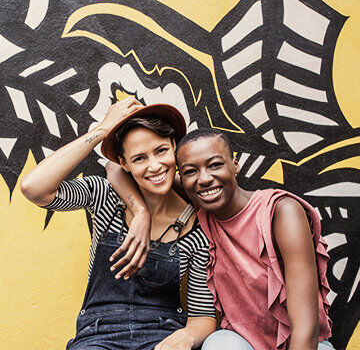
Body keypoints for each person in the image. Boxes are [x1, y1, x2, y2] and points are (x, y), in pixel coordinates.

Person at [107, 127, 334, 350]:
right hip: (243, 341)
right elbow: (114, 168)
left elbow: (306, 330)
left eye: (215, 165)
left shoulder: (280, 212)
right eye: (190, 171)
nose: (204, 179)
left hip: (304, 344)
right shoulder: (202, 205)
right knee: (218, 344)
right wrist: (140, 211)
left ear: (235, 164)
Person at [20, 97, 216, 350]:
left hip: (162, 335)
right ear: (123, 163)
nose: (155, 166)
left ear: (174, 147)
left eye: (161, 151)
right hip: (97, 337)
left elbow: (202, 315)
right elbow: (34, 188)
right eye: (139, 159)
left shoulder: (196, 228)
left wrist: (184, 339)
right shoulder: (104, 198)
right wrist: (101, 131)